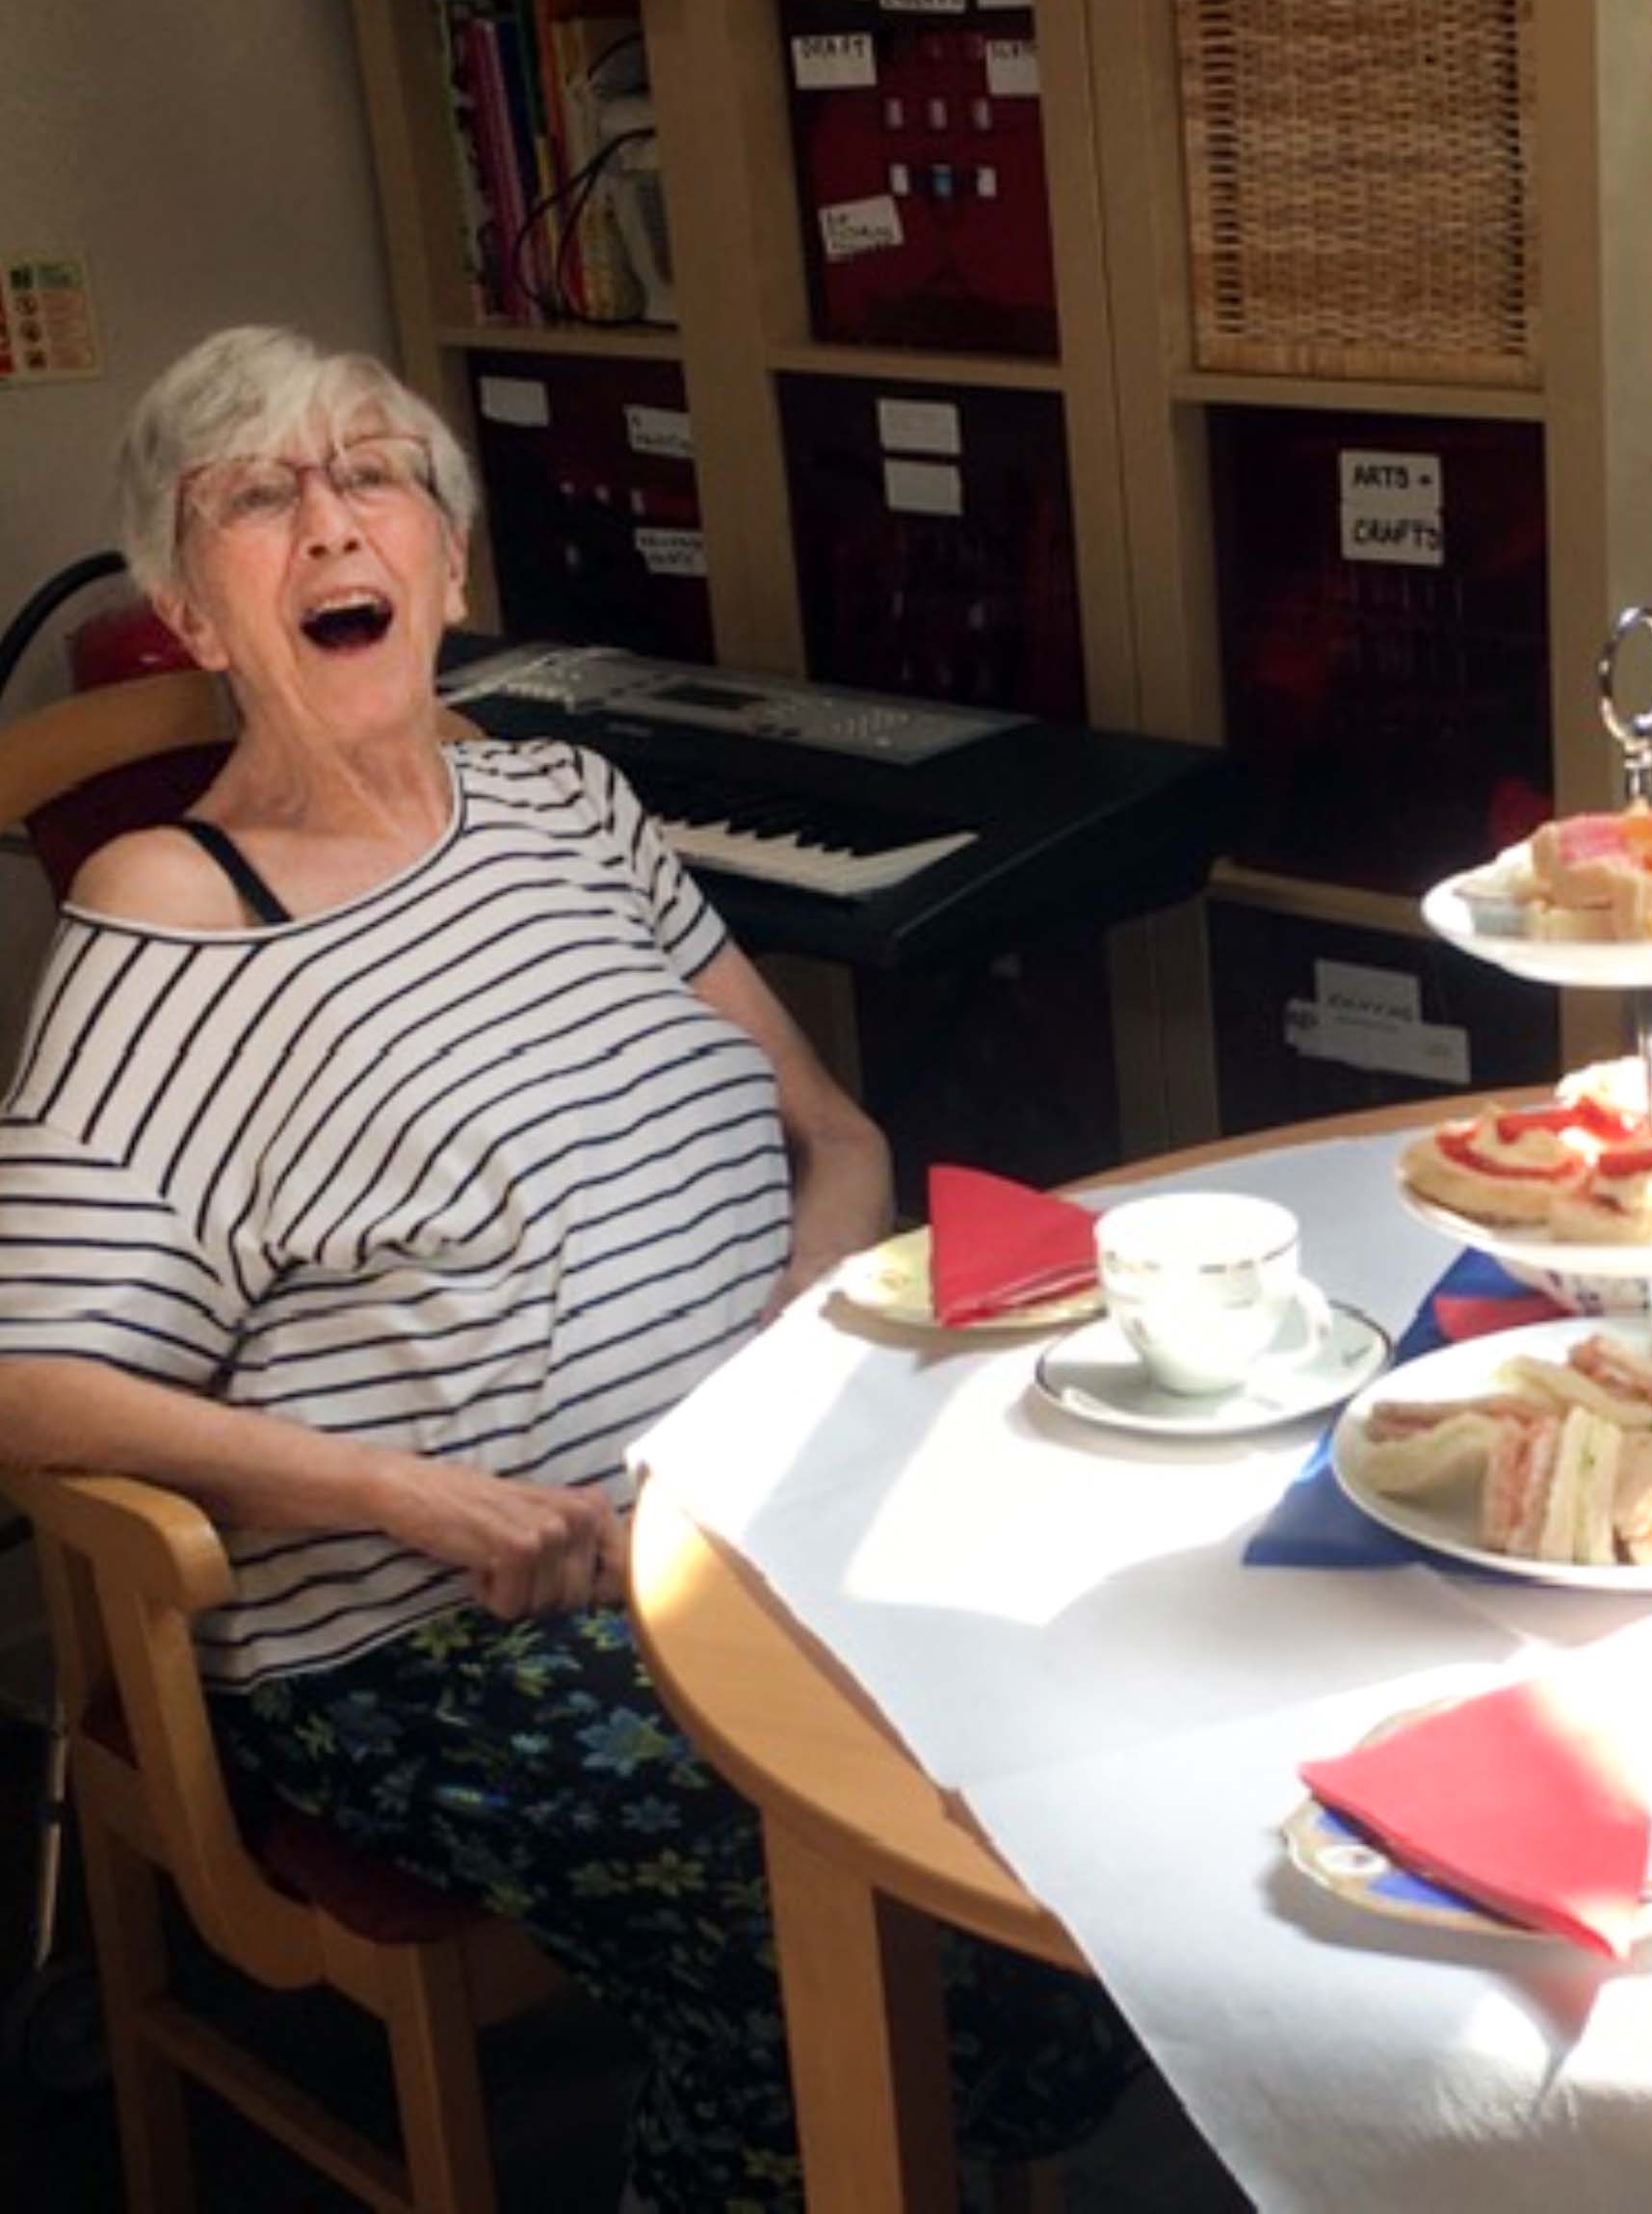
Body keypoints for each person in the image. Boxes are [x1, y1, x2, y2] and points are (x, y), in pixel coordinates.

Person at [0, 329, 1138, 2205]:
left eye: (374, 478)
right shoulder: (173, 915)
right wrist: (417, 1498)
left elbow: (831, 1134)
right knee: (830, 1914)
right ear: (189, 610)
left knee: (1099, 1762)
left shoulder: (568, 807)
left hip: (760, 1519)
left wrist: (795, 1357)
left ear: (448, 561)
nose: (331, 522)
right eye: (261, 498)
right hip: (444, 1628)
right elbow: (31, 1373)